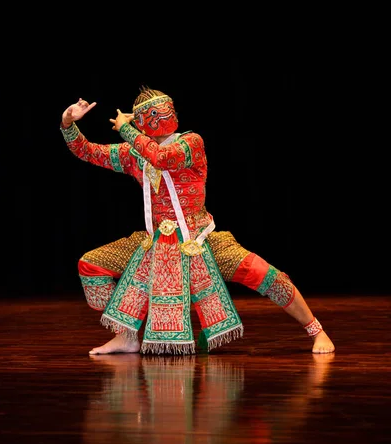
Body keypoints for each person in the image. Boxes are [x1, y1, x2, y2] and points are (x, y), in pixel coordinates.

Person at [60, 87, 335, 356]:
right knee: (91, 264)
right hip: (156, 244)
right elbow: (87, 151)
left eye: (165, 113)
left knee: (264, 273)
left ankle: (316, 329)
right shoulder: (134, 154)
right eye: (153, 116)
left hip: (200, 239)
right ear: (144, 121)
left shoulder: (190, 143)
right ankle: (127, 336)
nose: (162, 120)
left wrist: (125, 129)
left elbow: (162, 158)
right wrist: (68, 122)